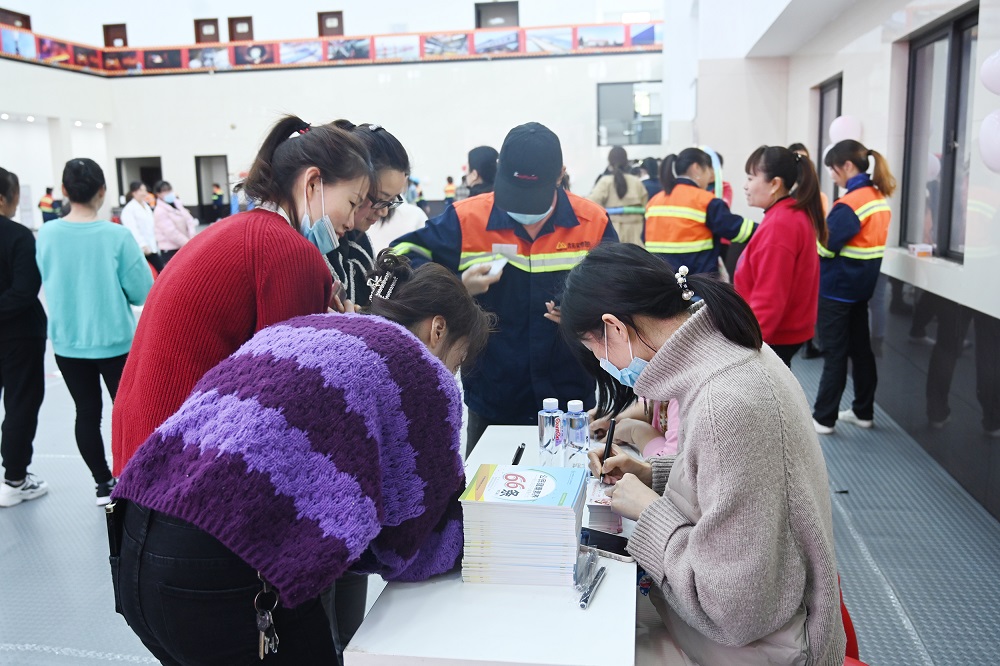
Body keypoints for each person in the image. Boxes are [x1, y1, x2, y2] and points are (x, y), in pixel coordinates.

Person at [110, 252, 493, 665]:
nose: (450, 375)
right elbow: (412, 544)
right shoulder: (420, 372)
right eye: (457, 361)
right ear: (438, 329)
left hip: (136, 543)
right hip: (225, 573)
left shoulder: (307, 326)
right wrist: (490, 538)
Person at [561, 243, 845, 665]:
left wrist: (651, 512)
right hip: (770, 625)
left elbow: (732, 611)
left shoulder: (721, 402)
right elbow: (742, 482)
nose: (604, 364)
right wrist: (653, 474)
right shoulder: (733, 352)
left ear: (614, 328)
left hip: (764, 649)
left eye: (595, 350)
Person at [111, 115, 371, 478]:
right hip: (180, 464)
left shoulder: (236, 229)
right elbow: (290, 398)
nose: (355, 221)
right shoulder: (288, 251)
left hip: (141, 446)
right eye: (354, 202)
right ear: (313, 183)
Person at [392, 121, 618, 453]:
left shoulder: (592, 223)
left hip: (569, 396)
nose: (523, 208)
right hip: (493, 394)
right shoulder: (466, 218)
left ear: (560, 175)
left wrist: (582, 308)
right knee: (484, 485)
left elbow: (618, 288)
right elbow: (398, 256)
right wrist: (458, 285)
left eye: (533, 197)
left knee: (569, 480)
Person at [35, 158, 153, 505]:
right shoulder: (117, 236)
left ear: (64, 191)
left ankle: (103, 484)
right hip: (115, 342)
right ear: (102, 191)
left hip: (68, 343)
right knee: (127, 412)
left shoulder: (47, 235)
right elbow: (141, 292)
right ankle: (131, 480)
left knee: (86, 412)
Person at [812, 139, 896, 435]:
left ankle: (824, 418)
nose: (831, 175)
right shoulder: (878, 197)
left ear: (847, 166)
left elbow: (825, 247)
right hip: (861, 290)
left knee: (834, 354)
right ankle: (863, 411)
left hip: (837, 291)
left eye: (833, 169)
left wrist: (816, 233)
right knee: (861, 350)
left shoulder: (850, 204)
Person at [735, 145, 827, 367]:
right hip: (781, 332)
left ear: (775, 184)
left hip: (771, 335)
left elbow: (769, 298)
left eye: (751, 178)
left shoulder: (780, 224)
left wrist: (747, 347)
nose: (745, 186)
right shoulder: (789, 213)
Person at [0, 166, 48, 507]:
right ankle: (15, 479)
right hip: (19, 336)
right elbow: (25, 290)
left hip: (18, 335)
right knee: (20, 403)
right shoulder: (18, 236)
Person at [325, 121, 410, 307]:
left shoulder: (360, 244)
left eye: (392, 201)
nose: (384, 211)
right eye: (380, 199)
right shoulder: (314, 246)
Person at [645, 148, 756, 275]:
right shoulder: (705, 200)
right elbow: (736, 228)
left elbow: (645, 237)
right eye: (709, 170)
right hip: (697, 281)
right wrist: (766, 229)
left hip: (662, 280)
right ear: (696, 168)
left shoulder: (654, 201)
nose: (710, 176)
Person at [588, 146, 649, 246]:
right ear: (626, 162)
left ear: (609, 162)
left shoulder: (605, 182)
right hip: (636, 243)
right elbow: (646, 207)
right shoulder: (636, 182)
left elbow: (590, 206)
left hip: (611, 242)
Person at [120, 181, 164, 274]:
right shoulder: (129, 209)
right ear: (134, 192)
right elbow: (132, 229)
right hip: (140, 248)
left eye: (145, 190)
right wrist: (142, 244)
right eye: (141, 190)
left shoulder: (146, 206)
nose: (144, 193)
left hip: (151, 246)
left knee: (159, 270)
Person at [152, 180, 197, 264]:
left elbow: (189, 220)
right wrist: (188, 244)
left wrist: (192, 238)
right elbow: (171, 232)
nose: (168, 193)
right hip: (171, 249)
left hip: (186, 245)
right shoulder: (159, 211)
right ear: (158, 194)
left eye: (169, 190)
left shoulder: (178, 204)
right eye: (165, 191)